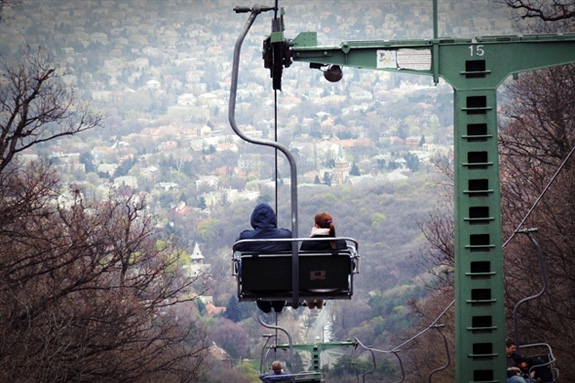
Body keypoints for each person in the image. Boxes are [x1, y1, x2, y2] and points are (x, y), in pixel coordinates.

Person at [236, 203, 292, 314]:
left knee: (256, 274)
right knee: (279, 271)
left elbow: (237, 247)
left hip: (255, 285)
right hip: (281, 283)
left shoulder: (246, 238)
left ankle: (265, 308)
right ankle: (278, 306)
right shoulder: (286, 236)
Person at [300, 212, 347, 309]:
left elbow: (301, 266)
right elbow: (349, 267)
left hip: (310, 286)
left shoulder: (308, 244)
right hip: (335, 285)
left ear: (316, 225)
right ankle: (319, 298)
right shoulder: (341, 243)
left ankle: (312, 299)